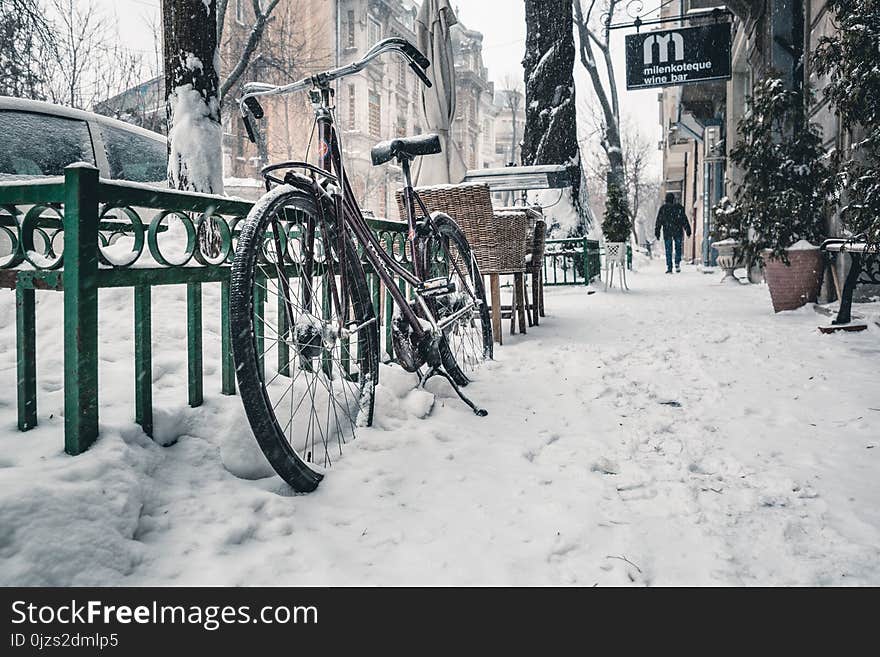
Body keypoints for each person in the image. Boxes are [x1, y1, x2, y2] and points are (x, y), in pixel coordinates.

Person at [654, 192, 692, 273]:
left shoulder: (663, 209)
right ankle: (677, 263)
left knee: (668, 249)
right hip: (677, 231)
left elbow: (658, 221)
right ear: (673, 199)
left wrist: (657, 232)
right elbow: (684, 219)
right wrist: (687, 230)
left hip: (667, 231)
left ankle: (669, 267)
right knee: (678, 248)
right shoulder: (679, 208)